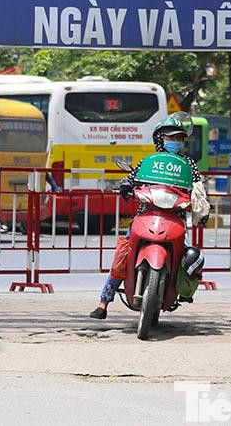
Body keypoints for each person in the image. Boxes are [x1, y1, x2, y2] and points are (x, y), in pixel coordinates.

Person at [89, 113, 206, 319]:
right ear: (160, 139)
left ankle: (182, 291)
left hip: (175, 217)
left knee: (186, 255)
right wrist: (126, 184)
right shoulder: (149, 162)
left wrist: (202, 205)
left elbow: (198, 189)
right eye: (170, 137)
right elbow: (132, 177)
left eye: (179, 138)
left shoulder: (189, 165)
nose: (175, 141)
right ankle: (103, 302)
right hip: (147, 213)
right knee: (123, 254)